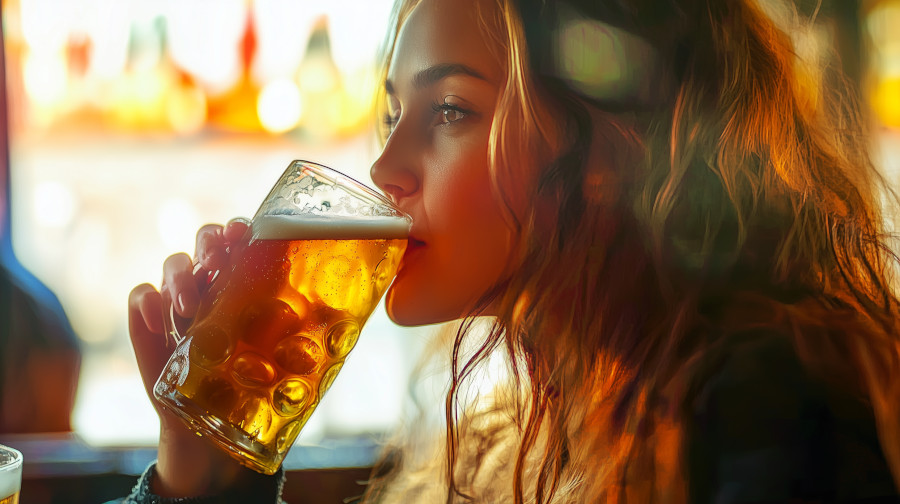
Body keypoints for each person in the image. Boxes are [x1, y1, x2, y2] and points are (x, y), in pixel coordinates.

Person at [119, 0, 900, 502]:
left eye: (451, 109)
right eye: (395, 112)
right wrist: (206, 477)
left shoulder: (771, 401)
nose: (386, 168)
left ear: (612, 150)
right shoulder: (544, 425)